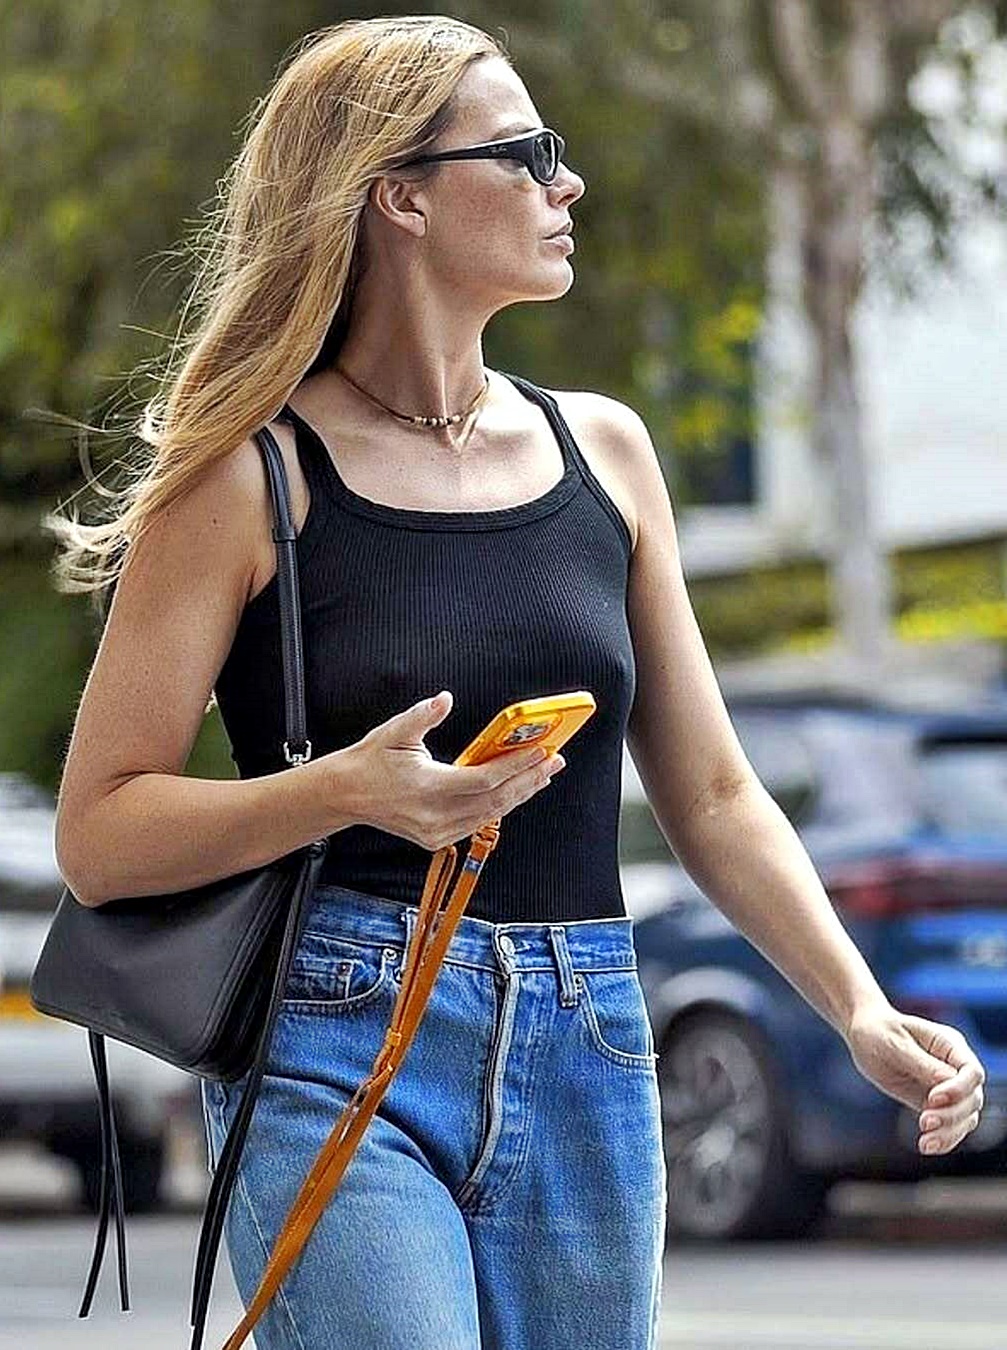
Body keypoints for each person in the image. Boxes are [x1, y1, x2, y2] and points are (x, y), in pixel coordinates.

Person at [47, 15, 985, 1350]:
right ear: (403, 197)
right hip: (334, 1038)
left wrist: (859, 1007)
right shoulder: (246, 479)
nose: (568, 182)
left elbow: (716, 794)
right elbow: (101, 831)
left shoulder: (606, 452)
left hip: (587, 1037)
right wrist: (345, 794)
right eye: (528, 152)